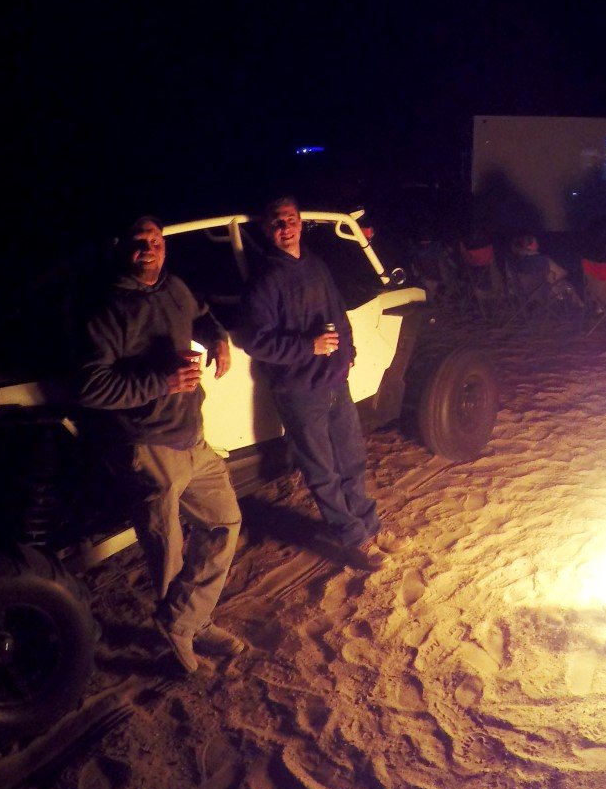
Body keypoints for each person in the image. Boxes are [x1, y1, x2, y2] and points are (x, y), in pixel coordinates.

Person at [77, 216, 246, 675]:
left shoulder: (174, 288)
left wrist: (218, 338)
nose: (148, 248)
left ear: (164, 247)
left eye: (155, 240)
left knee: (224, 522)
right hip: (148, 443)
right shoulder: (107, 309)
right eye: (139, 242)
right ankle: (183, 629)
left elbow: (201, 314)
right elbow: (91, 387)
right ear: (123, 249)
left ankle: (184, 621)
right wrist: (162, 382)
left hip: (191, 433)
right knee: (168, 551)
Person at [240, 196, 402, 567]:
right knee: (321, 469)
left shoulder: (315, 265)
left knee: (352, 458)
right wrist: (308, 346)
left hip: (334, 381)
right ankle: (354, 538)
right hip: (299, 389)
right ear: (267, 229)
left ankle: (370, 525)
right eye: (277, 222)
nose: (285, 228)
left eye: (290, 219)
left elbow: (337, 313)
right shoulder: (264, 280)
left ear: (300, 223)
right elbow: (256, 342)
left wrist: (348, 351)